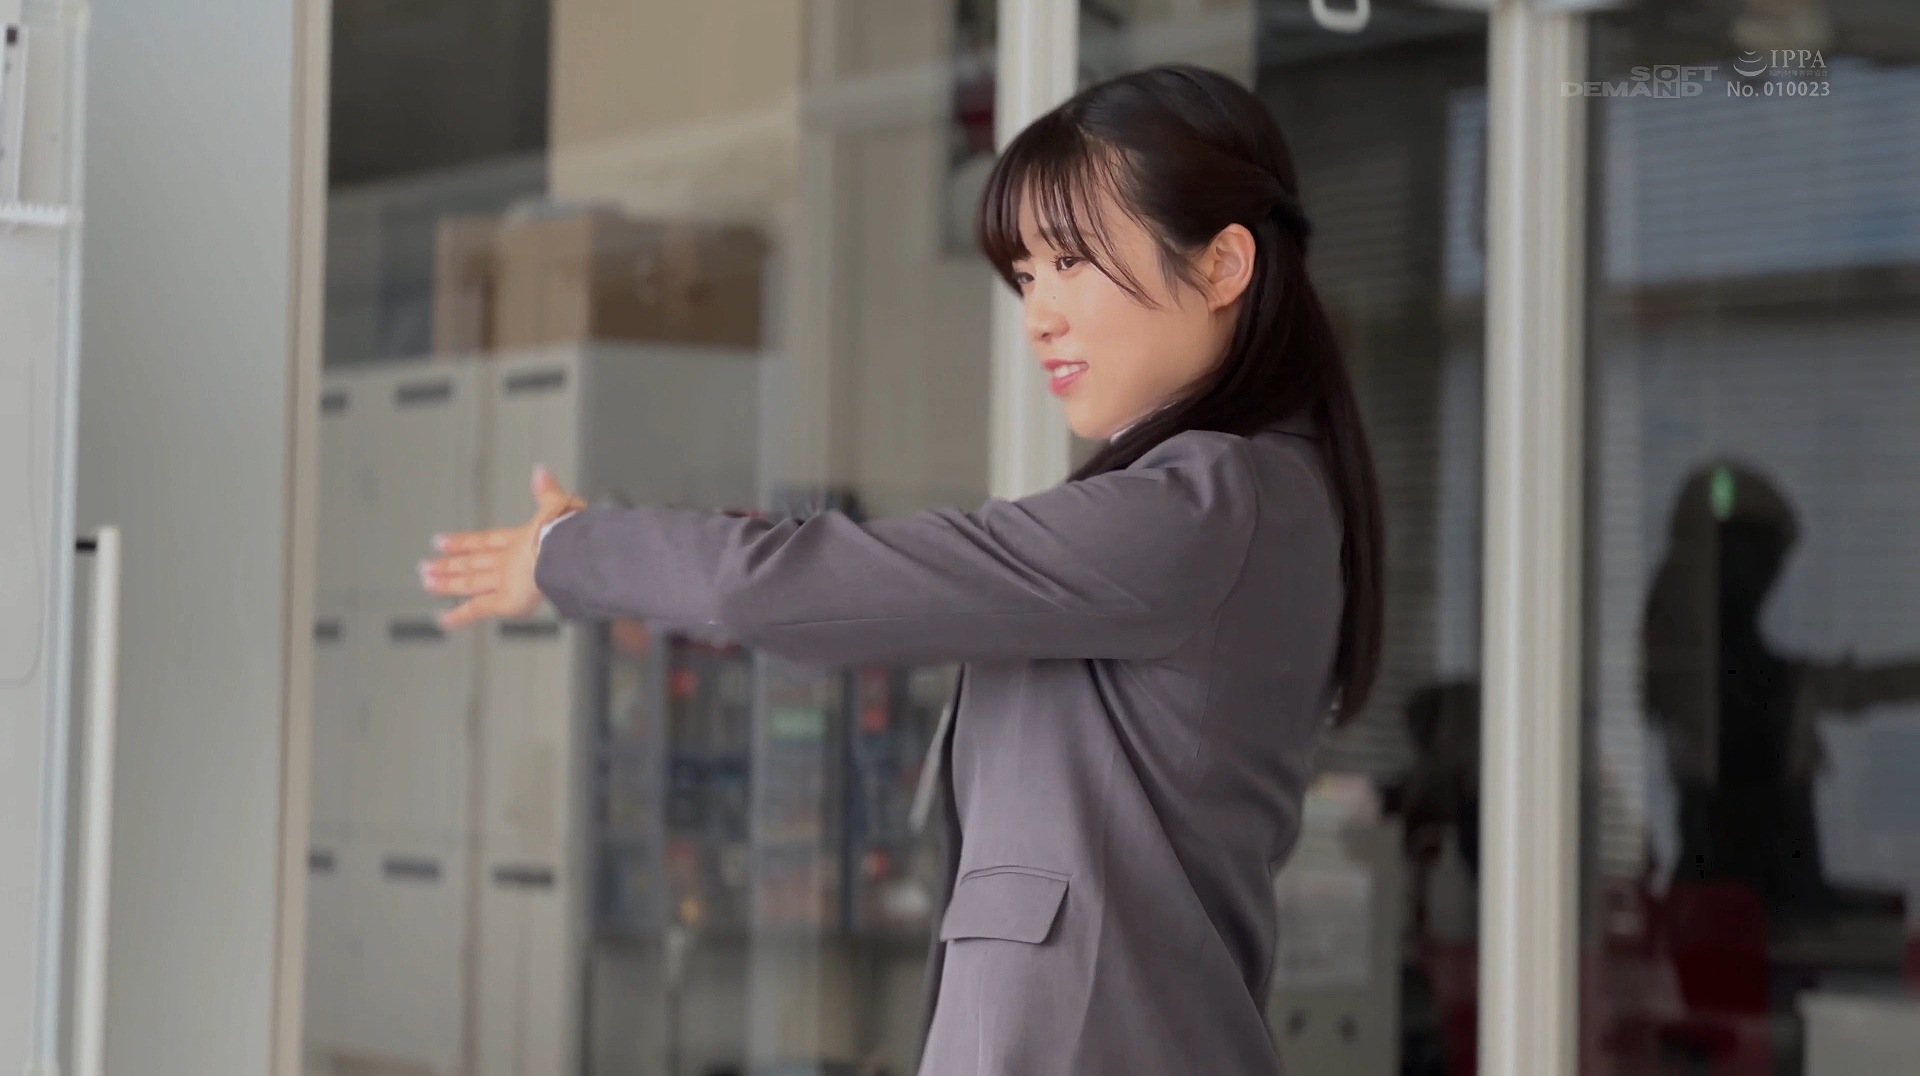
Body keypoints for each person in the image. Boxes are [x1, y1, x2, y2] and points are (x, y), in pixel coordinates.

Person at [420, 65, 1384, 1075]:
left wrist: (567, 554)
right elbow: (842, 577)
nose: (1039, 315)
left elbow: (793, 586)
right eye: (1027, 275)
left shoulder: (1205, 504)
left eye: (1072, 260)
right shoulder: (1238, 500)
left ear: (1224, 264)